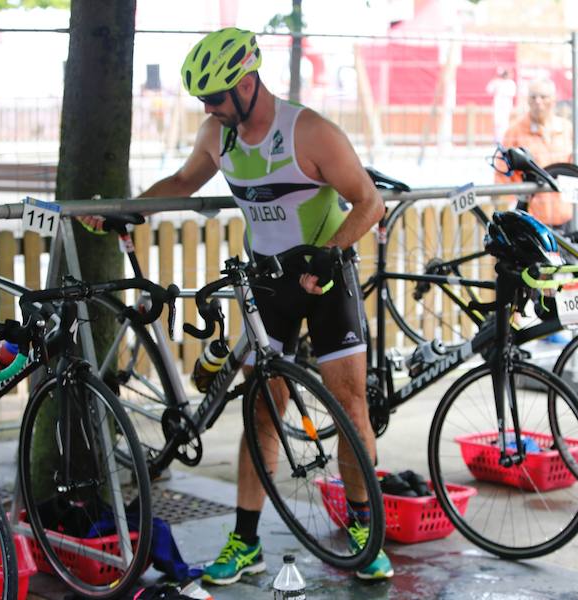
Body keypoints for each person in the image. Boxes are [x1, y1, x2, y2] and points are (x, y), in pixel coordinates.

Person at [78, 27, 391, 584]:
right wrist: (126, 209)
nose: (210, 109)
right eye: (203, 101)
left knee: (350, 409)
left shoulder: (309, 131)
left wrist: (329, 255)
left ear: (247, 82)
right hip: (266, 288)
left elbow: (369, 201)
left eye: (217, 98)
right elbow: (182, 181)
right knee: (262, 412)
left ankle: (365, 525)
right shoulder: (218, 134)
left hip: (323, 279)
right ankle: (246, 542)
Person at [495, 77, 573, 229]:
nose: (538, 101)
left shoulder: (566, 128)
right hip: (531, 218)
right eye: (533, 97)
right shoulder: (515, 131)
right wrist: (515, 201)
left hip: (564, 213)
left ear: (554, 99)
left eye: (543, 96)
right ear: (527, 100)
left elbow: (574, 167)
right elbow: (501, 171)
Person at [486, 68, 516, 143]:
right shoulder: (497, 82)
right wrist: (495, 80)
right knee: (497, 123)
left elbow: (512, 93)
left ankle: (504, 140)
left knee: (505, 123)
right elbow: (489, 90)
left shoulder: (510, 83)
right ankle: (497, 140)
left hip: (506, 105)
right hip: (498, 105)